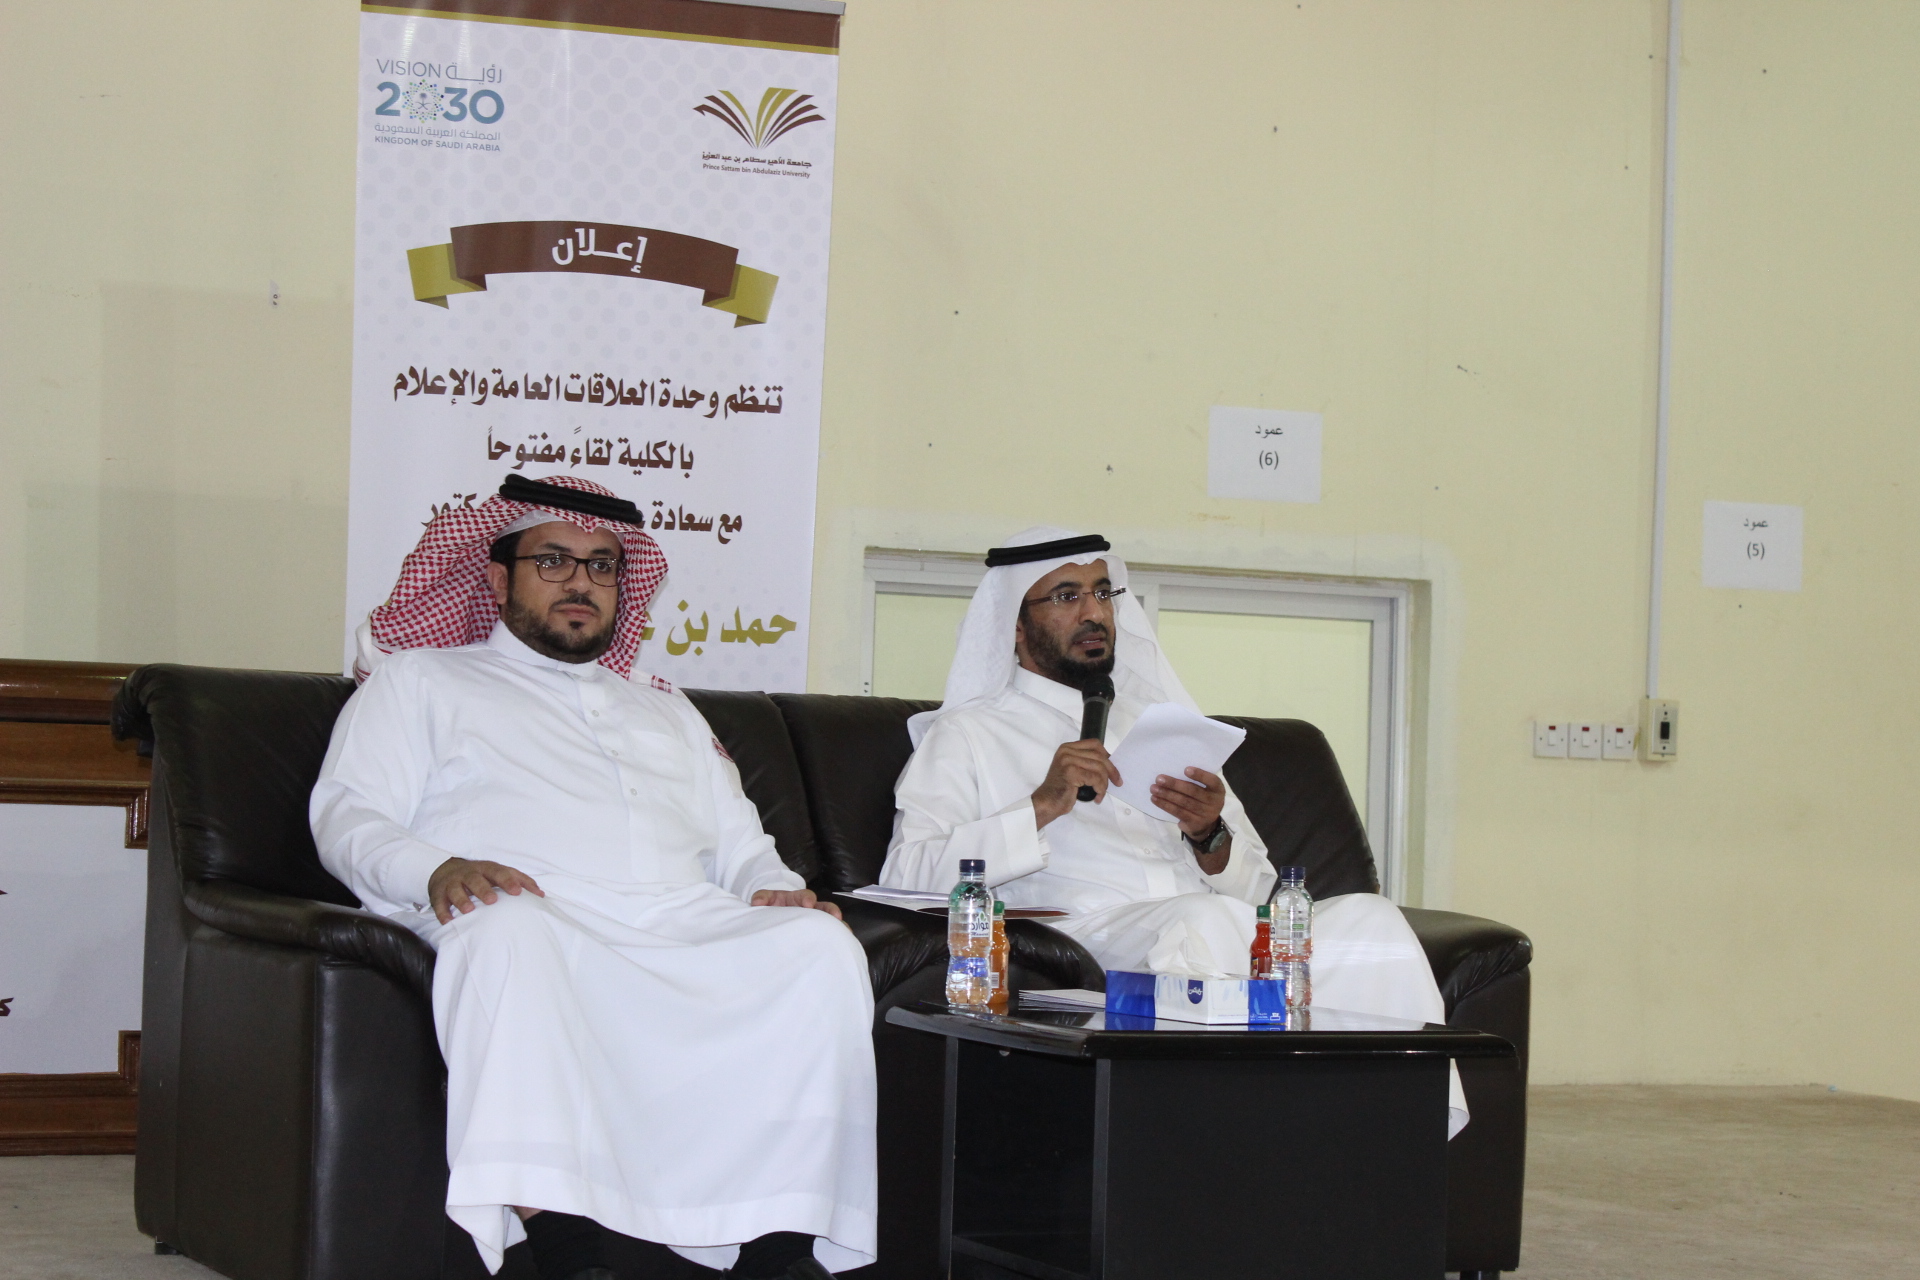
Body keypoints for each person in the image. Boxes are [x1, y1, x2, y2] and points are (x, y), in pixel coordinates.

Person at [312, 474, 875, 1280]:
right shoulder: (423, 681)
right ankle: (570, 1250)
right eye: (553, 560)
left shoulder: (665, 708)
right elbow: (347, 813)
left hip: (677, 916)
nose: (580, 582)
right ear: (497, 578)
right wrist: (436, 867)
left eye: (602, 565)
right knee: (509, 929)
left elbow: (740, 840)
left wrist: (771, 885)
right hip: (533, 910)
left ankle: (777, 1241)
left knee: (818, 948)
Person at [880, 525, 1466, 1134]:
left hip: (1211, 921)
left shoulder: (1165, 726)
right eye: (1067, 596)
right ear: (1016, 625)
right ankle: (1241, 1144)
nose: (1093, 612)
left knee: (1371, 920)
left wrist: (1209, 834)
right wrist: (1041, 806)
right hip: (1082, 937)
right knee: (1201, 920)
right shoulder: (968, 734)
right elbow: (903, 878)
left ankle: (1403, 1137)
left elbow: (1262, 890)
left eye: (1103, 593)